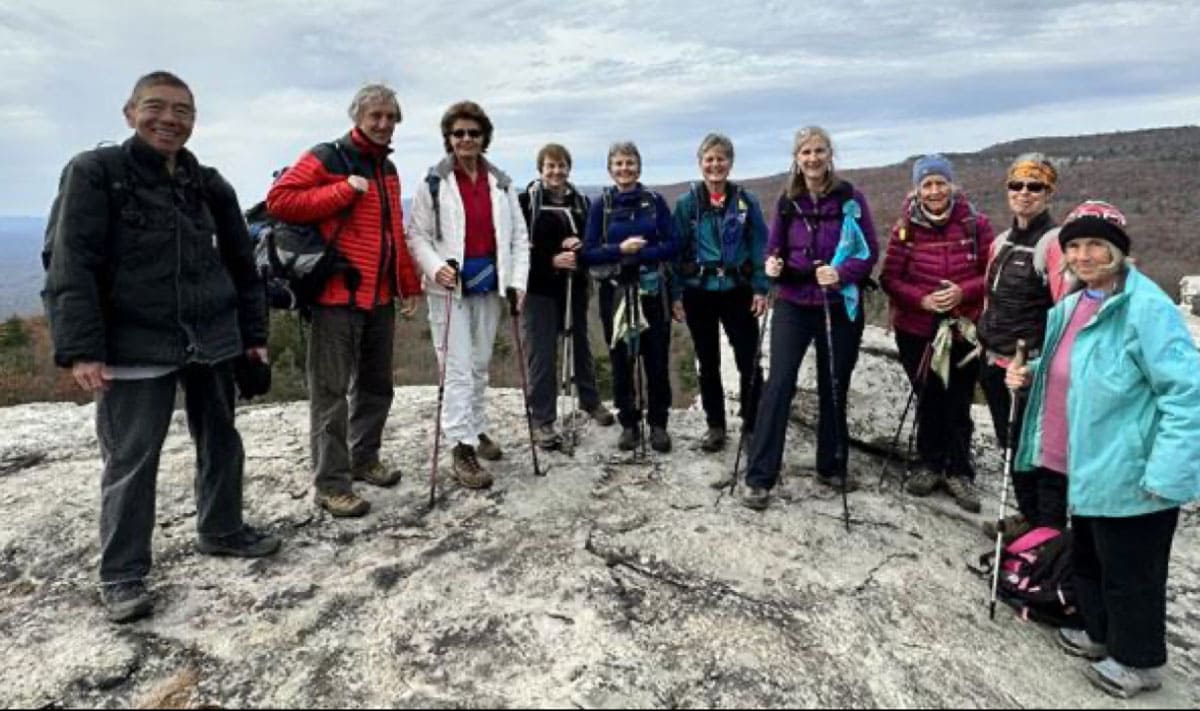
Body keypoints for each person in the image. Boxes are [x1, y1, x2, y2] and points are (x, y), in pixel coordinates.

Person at [42, 71, 280, 623]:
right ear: (129, 112)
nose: (169, 119)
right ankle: (123, 573)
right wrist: (82, 348)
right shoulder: (95, 173)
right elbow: (69, 262)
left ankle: (222, 529)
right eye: (156, 107)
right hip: (132, 340)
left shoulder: (209, 183)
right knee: (131, 458)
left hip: (212, 336)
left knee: (222, 440)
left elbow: (245, 268)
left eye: (183, 111)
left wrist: (255, 337)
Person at [1007, 201, 1200, 699]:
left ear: (1118, 250)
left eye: (1096, 245)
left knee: (1131, 571)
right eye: (1074, 246)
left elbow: (1186, 394)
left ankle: (1138, 662)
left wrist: (1168, 473)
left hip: (1135, 468)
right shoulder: (1073, 305)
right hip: (1088, 460)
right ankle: (1098, 634)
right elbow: (1063, 369)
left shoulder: (1147, 309)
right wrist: (1025, 375)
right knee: (1091, 556)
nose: (1085, 255)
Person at [267, 84, 422, 518]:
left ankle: (363, 457)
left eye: (390, 117)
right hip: (335, 294)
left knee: (376, 386)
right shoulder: (329, 155)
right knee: (331, 392)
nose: (383, 123)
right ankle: (331, 483)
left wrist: (407, 284)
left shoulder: (387, 169)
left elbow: (393, 235)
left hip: (379, 295)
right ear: (358, 117)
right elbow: (281, 201)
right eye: (375, 116)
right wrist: (342, 191)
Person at [741, 126, 878, 510]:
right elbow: (773, 249)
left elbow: (868, 253)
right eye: (806, 152)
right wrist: (772, 264)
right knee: (779, 384)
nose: (813, 158)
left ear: (829, 154)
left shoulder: (851, 199)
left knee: (834, 385)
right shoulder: (787, 200)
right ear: (797, 158)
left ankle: (831, 466)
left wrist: (842, 274)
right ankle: (760, 475)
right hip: (794, 302)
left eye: (819, 151)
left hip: (838, 304)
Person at [407, 101, 529, 488]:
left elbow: (518, 238)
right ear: (448, 138)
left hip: (490, 284)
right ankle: (461, 447)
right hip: (449, 286)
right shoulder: (433, 182)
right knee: (458, 366)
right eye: (458, 133)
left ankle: (476, 429)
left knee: (479, 362)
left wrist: (518, 282)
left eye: (473, 133)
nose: (465, 139)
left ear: (484, 137)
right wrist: (433, 266)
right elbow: (417, 236)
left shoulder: (502, 183)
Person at [880, 154, 995, 513]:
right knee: (928, 396)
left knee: (959, 399)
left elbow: (992, 274)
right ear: (917, 189)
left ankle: (960, 471)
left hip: (964, 328)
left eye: (940, 183)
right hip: (918, 328)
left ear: (952, 185)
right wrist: (922, 300)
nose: (934, 191)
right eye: (927, 184)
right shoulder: (905, 229)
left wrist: (963, 293)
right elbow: (889, 279)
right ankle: (930, 464)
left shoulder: (976, 225)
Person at [977, 153, 1071, 538]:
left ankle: (1047, 527)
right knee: (1011, 444)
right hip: (995, 359)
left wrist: (1042, 368)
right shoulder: (1000, 242)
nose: (1025, 193)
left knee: (1041, 450)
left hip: (1031, 367)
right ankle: (1029, 515)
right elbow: (989, 298)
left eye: (1036, 186)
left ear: (1049, 192)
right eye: (1017, 185)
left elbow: (1065, 311)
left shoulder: (1054, 242)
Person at [671, 133, 769, 452]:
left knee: (749, 360)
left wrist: (761, 287)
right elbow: (676, 250)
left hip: (738, 290)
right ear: (700, 164)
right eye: (709, 159)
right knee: (707, 361)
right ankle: (715, 426)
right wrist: (675, 295)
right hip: (699, 291)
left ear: (730, 163)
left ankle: (752, 425)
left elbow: (759, 244)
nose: (715, 165)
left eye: (721, 158)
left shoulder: (745, 201)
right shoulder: (688, 204)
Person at [518, 143, 615, 450]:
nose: (556, 171)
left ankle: (590, 401)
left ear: (569, 169)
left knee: (580, 344)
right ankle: (542, 419)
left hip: (574, 286)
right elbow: (517, 248)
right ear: (540, 169)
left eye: (561, 166)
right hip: (539, 289)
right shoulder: (527, 203)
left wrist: (580, 248)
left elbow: (593, 244)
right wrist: (551, 259)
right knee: (542, 352)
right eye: (550, 166)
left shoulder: (581, 203)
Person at [583, 141, 678, 453]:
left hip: (653, 290)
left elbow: (673, 243)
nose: (625, 169)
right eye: (619, 164)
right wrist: (619, 251)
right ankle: (629, 424)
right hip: (616, 293)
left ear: (639, 167)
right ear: (610, 169)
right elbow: (588, 252)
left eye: (630, 163)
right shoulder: (602, 205)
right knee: (621, 361)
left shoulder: (655, 201)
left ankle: (658, 424)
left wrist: (644, 253)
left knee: (656, 360)